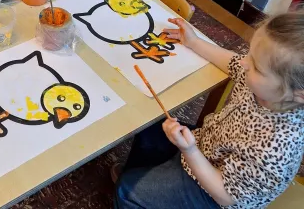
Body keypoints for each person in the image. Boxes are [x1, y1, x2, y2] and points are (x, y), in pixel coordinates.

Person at [114, 12, 304, 208]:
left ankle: (134, 193)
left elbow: (226, 195)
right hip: (207, 146)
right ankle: (142, 177)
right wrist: (194, 42)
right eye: (250, 54)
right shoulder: (264, 85)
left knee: (126, 192)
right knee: (149, 125)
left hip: (214, 195)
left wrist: (189, 151)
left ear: (299, 94)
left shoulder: (277, 146)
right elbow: (233, 63)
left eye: (256, 67)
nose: (244, 62)